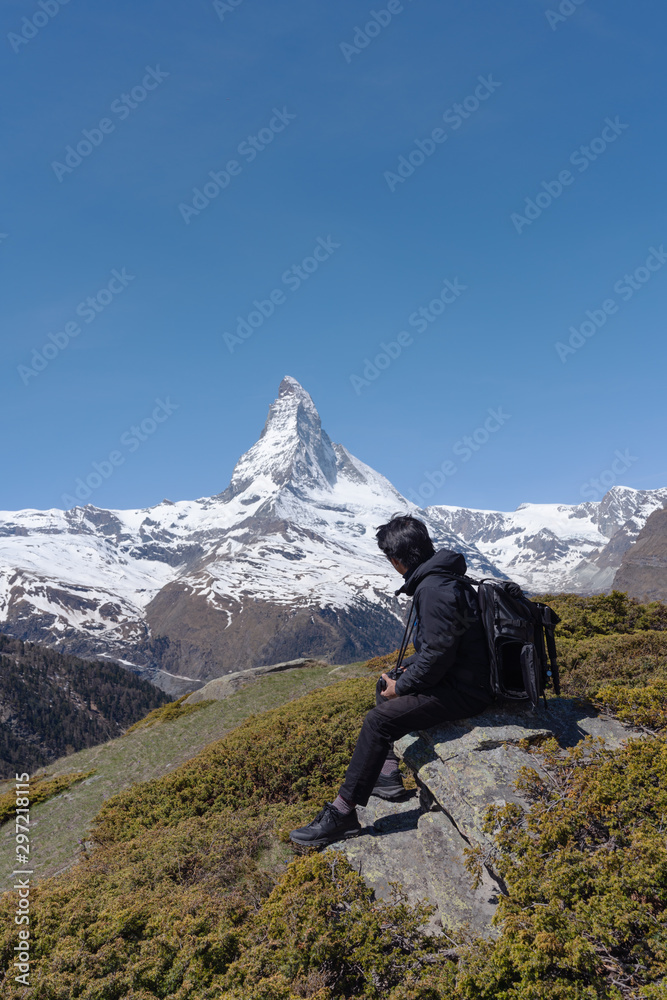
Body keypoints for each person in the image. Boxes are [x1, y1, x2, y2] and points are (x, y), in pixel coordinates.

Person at [289, 514, 494, 848]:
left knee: (377, 722)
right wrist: (401, 676)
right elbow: (441, 648)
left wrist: (403, 685)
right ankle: (386, 776)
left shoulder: (434, 590)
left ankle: (341, 814)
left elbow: (437, 656)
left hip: (467, 691)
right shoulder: (443, 579)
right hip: (467, 678)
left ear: (397, 561)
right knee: (387, 682)